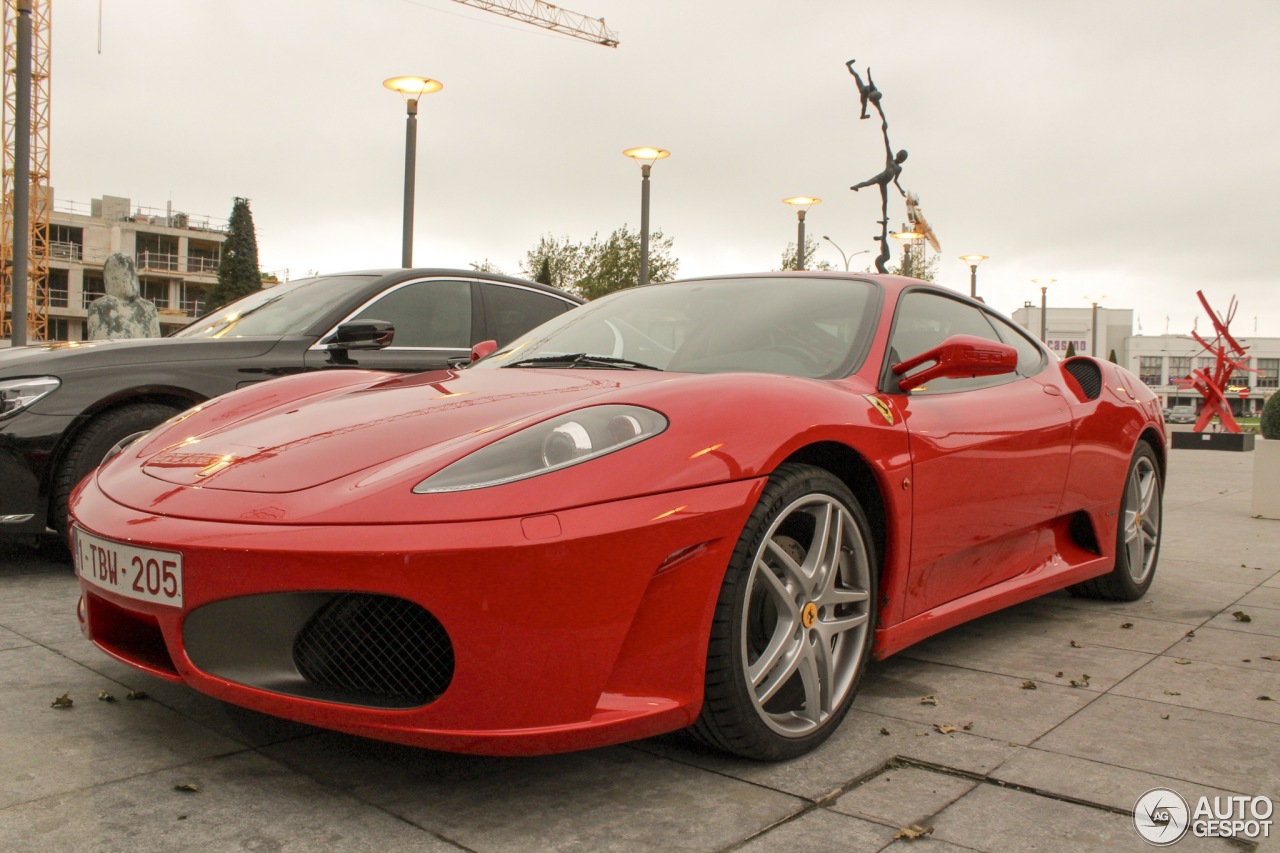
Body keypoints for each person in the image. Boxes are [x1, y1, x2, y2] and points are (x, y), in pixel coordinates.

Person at [86, 253, 161, 340]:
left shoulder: (148, 308)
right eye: (124, 275)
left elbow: (155, 345)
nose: (130, 280)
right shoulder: (100, 307)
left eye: (131, 274)